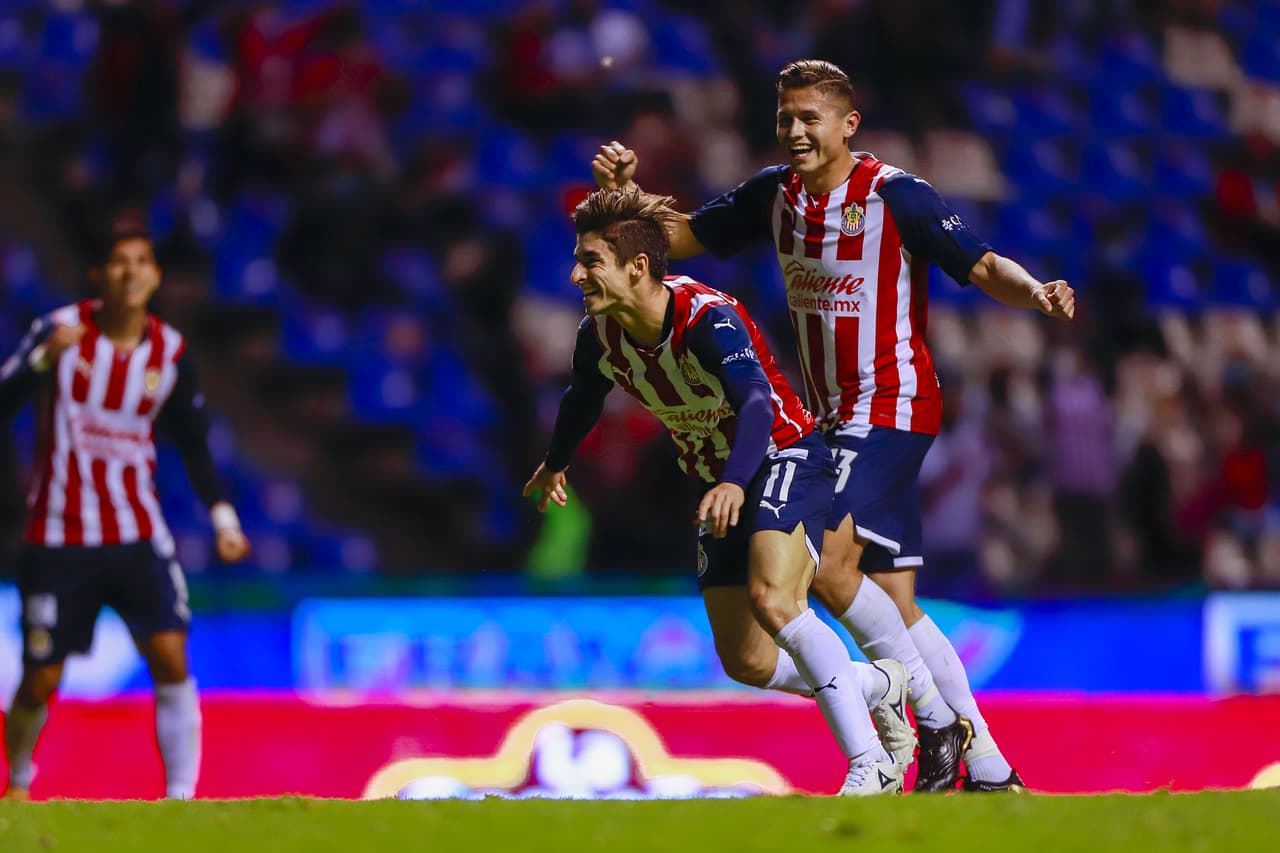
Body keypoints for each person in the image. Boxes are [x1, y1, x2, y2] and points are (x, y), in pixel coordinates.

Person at [591, 59, 1076, 792]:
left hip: (891, 403)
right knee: (894, 599)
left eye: (809, 118)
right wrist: (621, 196)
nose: (793, 131)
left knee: (829, 563)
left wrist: (1035, 291)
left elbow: (975, 263)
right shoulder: (774, 194)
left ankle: (935, 722)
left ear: (848, 124)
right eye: (785, 117)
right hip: (830, 416)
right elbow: (682, 239)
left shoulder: (895, 195)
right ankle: (988, 767)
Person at [524, 187, 914, 795]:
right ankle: (879, 685)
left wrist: (736, 480)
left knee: (775, 599)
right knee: (747, 661)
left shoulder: (708, 318)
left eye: (591, 260)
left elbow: (757, 401)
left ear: (638, 267)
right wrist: (556, 462)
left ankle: (873, 763)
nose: (576, 274)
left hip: (782, 454)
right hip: (717, 482)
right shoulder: (599, 335)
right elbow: (582, 394)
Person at [0, 220, 252, 800]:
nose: (130, 272)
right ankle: (17, 781)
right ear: (99, 276)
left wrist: (223, 518)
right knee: (41, 678)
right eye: (118, 261)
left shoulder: (170, 352)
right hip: (58, 535)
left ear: (155, 276)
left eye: (141, 261)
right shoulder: (59, 331)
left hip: (137, 532)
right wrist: (40, 362)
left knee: (169, 653)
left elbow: (192, 438)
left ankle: (182, 798)